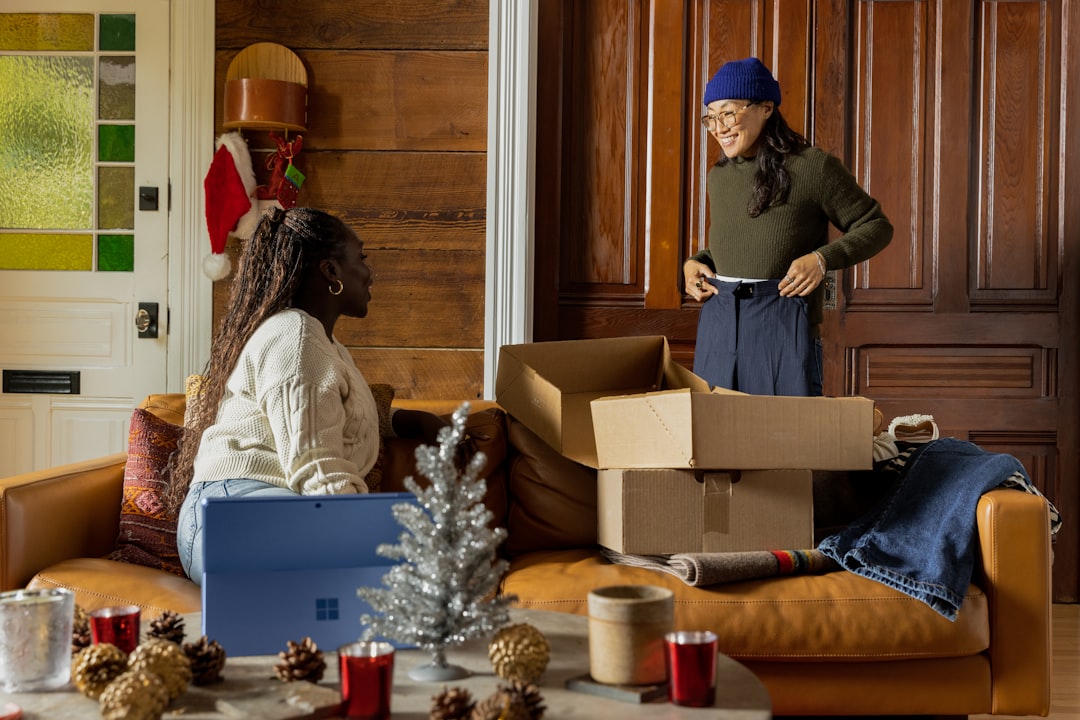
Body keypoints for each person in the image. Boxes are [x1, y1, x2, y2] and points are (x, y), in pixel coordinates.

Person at [165, 206, 447, 584]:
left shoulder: (321, 344)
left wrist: (414, 420)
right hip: (233, 514)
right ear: (331, 271)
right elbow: (315, 463)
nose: (369, 273)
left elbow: (340, 413)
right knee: (409, 563)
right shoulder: (296, 338)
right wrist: (365, 535)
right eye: (360, 259)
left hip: (251, 513)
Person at [683, 57, 893, 396]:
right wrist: (694, 262)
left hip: (781, 324)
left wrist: (822, 259)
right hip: (718, 325)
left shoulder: (813, 168)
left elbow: (877, 226)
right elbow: (741, 241)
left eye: (728, 112)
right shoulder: (719, 177)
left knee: (785, 442)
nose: (719, 127)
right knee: (714, 439)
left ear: (766, 108)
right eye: (711, 117)